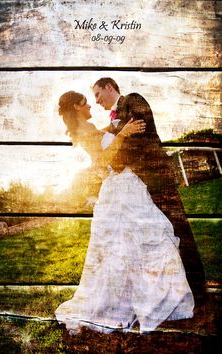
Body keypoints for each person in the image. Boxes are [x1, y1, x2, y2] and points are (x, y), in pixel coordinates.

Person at [55, 90, 195, 335]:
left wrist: (118, 125)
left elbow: (107, 132)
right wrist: (123, 134)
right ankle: (140, 302)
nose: (91, 107)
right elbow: (102, 160)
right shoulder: (85, 130)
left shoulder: (90, 128)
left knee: (140, 242)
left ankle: (151, 297)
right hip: (120, 187)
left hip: (127, 183)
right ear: (77, 107)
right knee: (130, 244)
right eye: (86, 103)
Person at [92, 77, 206, 300]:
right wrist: (121, 135)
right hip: (138, 186)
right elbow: (119, 149)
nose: (96, 101)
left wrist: (119, 149)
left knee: (177, 230)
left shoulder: (132, 100)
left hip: (156, 178)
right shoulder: (114, 123)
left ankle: (198, 291)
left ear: (108, 87)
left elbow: (139, 137)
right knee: (158, 237)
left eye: (97, 95)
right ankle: (172, 290)